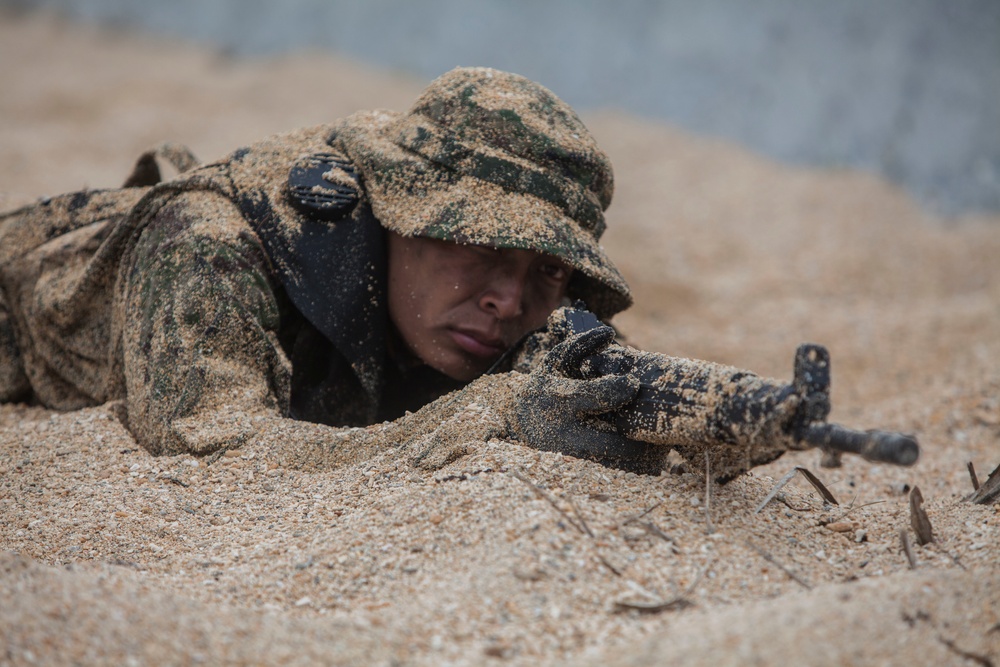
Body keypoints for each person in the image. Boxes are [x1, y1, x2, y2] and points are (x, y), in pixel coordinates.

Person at [0, 67, 658, 473]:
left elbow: (623, 378)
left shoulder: (494, 308)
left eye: (549, 269)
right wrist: (488, 415)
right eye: (483, 247)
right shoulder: (213, 246)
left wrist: (729, 422)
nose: (509, 301)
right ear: (404, 210)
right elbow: (218, 454)